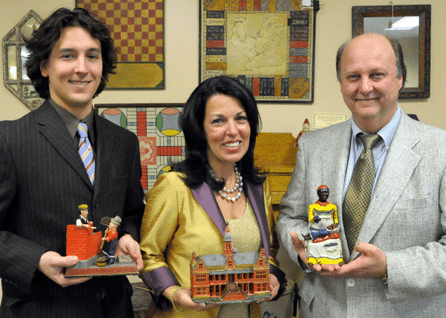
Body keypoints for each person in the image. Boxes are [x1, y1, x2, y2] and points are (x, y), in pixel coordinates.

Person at [277, 32, 446, 317]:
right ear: (342, 83)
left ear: (400, 79)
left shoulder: (440, 149)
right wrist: (306, 248)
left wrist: (390, 266)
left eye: (377, 74)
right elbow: (290, 217)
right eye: (353, 77)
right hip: (324, 309)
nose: (364, 87)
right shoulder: (312, 146)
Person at [0, 8, 145, 318]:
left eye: (92, 56)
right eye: (68, 56)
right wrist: (36, 259)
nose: (82, 68)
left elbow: (132, 213)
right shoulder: (8, 139)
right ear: (44, 66)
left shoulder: (124, 143)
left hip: (114, 309)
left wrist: (128, 236)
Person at [140, 76, 286, 317]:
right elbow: (149, 255)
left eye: (241, 118)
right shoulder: (174, 186)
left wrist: (271, 275)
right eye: (218, 121)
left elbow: (267, 249)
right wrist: (174, 292)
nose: (233, 130)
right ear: (199, 130)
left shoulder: (258, 187)